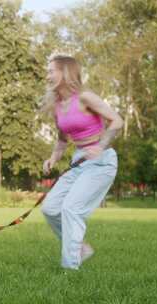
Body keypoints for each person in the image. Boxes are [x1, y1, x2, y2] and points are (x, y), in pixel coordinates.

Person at [39, 54, 123, 270]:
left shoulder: (85, 97)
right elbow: (61, 139)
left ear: (65, 72)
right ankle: (81, 248)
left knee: (71, 208)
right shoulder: (58, 105)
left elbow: (117, 120)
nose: (47, 75)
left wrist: (101, 145)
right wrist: (53, 158)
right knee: (50, 208)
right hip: (78, 161)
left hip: (101, 160)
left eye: (51, 71)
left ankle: (70, 267)